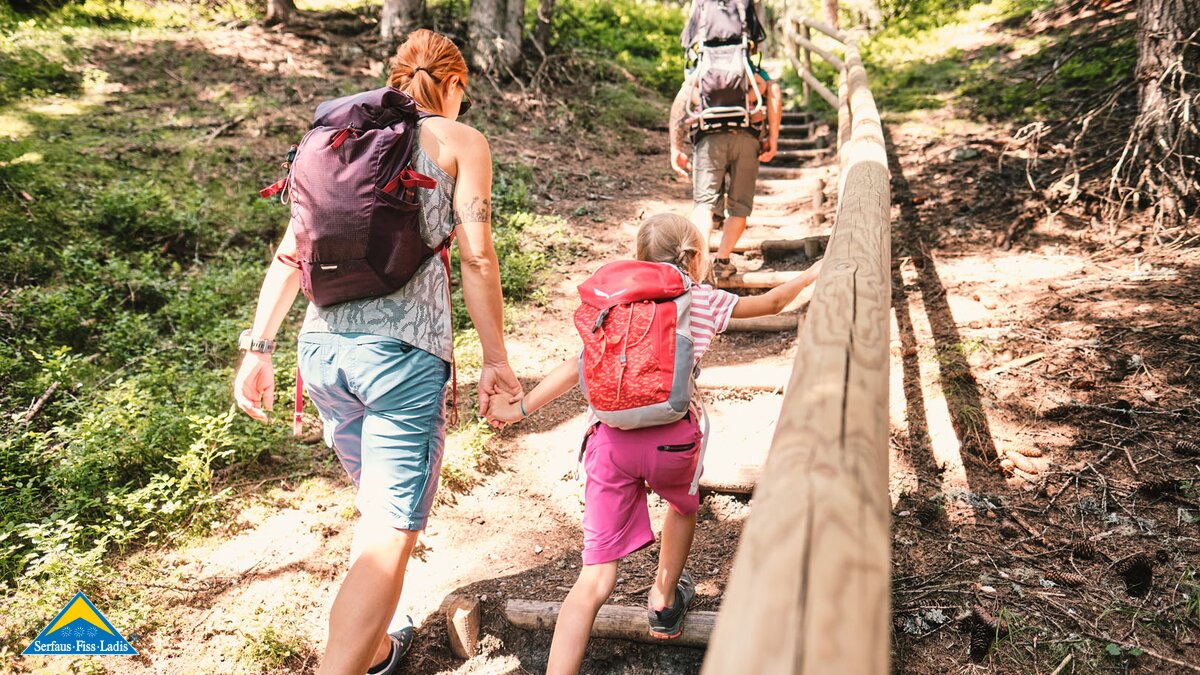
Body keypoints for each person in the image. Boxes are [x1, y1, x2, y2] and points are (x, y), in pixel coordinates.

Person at [232, 29, 522, 675]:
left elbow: (290, 250)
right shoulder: (458, 141)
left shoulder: (339, 139)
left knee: (377, 515)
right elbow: (476, 255)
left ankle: (381, 647)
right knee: (389, 531)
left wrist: (257, 347)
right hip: (400, 359)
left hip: (322, 353)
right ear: (454, 85)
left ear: (394, 77)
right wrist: (496, 360)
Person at [486, 213, 821, 674]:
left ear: (639, 258)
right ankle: (664, 601)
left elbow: (577, 365)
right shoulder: (698, 299)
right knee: (683, 506)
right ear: (695, 257)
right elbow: (774, 302)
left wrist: (520, 408)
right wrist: (813, 272)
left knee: (594, 577)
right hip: (673, 444)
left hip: (611, 444)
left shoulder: (616, 304)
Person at [669, 60, 782, 280]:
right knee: (739, 207)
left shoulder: (702, 66)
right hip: (746, 137)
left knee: (704, 205)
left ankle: (700, 269)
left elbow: (680, 103)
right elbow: (774, 92)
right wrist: (773, 138)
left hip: (708, 137)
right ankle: (722, 261)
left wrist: (675, 147)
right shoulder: (748, 66)